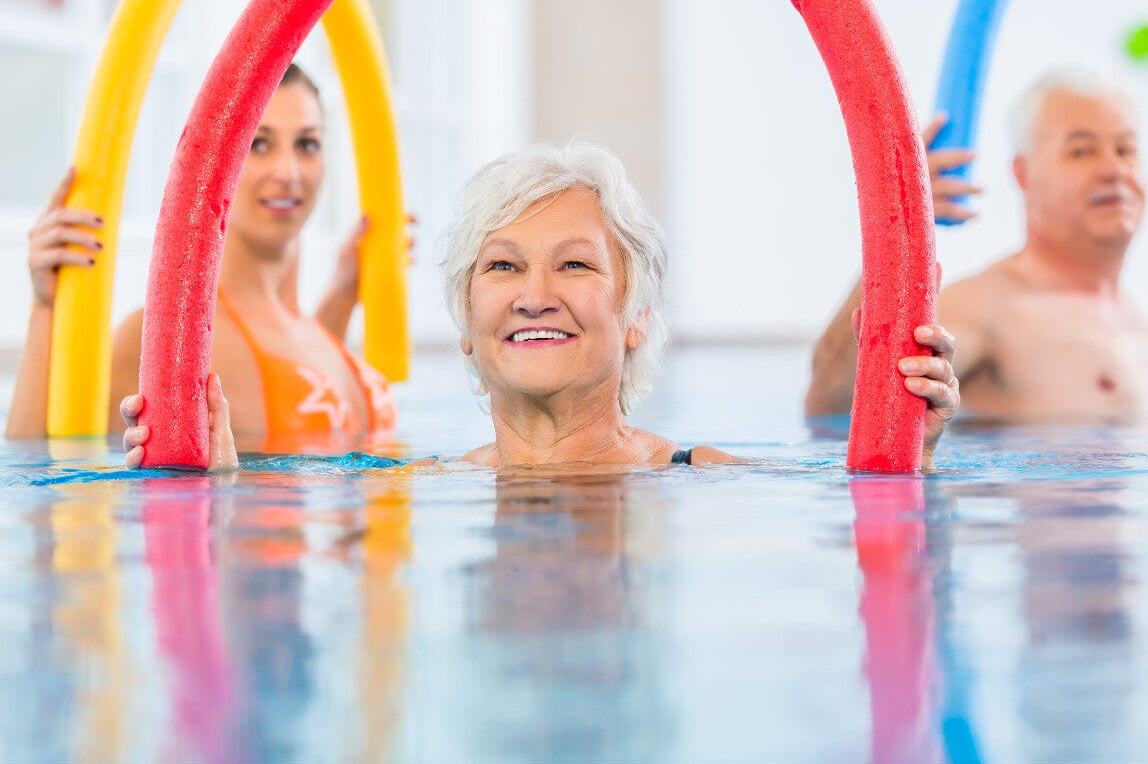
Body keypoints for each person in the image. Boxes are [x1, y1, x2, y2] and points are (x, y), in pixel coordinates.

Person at [124, 140, 960, 472]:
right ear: (463, 328)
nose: (533, 295)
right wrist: (209, 497)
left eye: (573, 264)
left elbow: (885, 557)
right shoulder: (414, 487)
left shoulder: (702, 479)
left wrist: (911, 461)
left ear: (635, 315)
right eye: (501, 266)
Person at [6, 64, 395, 449]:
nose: (287, 171)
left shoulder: (316, 332)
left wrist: (344, 295)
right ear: (215, 161)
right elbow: (39, 467)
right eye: (258, 143)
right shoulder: (169, 336)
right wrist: (46, 307)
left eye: (307, 144)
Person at [807, 67, 1148, 423]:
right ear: (1023, 174)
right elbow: (833, 403)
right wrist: (895, 229)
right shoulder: (988, 309)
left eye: (1125, 149)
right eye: (1081, 150)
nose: (1114, 169)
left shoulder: (1140, 325)